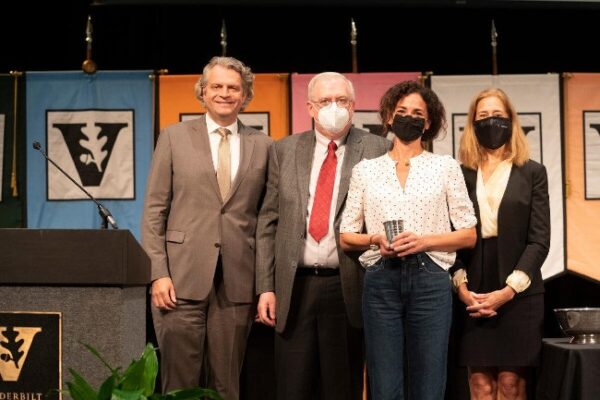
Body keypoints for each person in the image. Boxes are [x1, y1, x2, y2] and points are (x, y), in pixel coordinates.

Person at [141, 56, 272, 399]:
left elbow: (266, 222)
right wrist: (158, 273)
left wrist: (265, 285)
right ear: (202, 91)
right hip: (178, 282)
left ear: (245, 96)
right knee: (179, 385)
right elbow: (154, 210)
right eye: (217, 86)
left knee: (226, 386)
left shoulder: (265, 146)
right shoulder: (173, 137)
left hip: (237, 285)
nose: (225, 94)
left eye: (233, 88)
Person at [255, 72, 390, 400]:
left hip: (347, 284)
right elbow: (267, 222)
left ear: (354, 106)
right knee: (292, 386)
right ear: (310, 108)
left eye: (341, 100)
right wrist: (266, 287)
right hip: (293, 286)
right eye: (325, 101)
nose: (334, 107)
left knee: (340, 387)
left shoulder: (378, 148)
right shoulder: (284, 149)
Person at [339, 80, 478, 400]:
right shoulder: (366, 170)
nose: (409, 118)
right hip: (380, 281)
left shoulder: (445, 167)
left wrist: (425, 242)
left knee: (429, 383)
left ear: (428, 123)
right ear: (388, 117)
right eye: (401, 111)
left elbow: (468, 234)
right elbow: (347, 236)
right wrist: (375, 239)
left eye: (418, 113)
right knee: (385, 383)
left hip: (430, 280)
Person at [453, 88, 550, 400]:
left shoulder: (533, 172)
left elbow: (539, 240)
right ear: (471, 123)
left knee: (510, 385)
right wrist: (462, 288)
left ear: (511, 121)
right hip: (472, 290)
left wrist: (508, 291)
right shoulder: (459, 173)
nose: (490, 122)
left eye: (497, 116)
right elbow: (449, 235)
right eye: (482, 117)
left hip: (519, 291)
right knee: (481, 386)